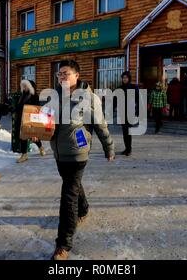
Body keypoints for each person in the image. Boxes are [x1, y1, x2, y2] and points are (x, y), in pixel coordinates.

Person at [44, 60, 115, 260]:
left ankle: (63, 245)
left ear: (77, 75)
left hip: (77, 151)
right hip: (58, 152)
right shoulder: (54, 96)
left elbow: (100, 125)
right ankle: (83, 208)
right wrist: (37, 131)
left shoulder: (89, 98)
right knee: (72, 185)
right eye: (59, 74)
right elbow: (45, 121)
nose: (62, 77)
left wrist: (108, 147)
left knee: (68, 195)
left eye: (66, 73)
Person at [15, 79, 46, 163]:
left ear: (30, 87)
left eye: (25, 86)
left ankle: (41, 147)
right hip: (21, 119)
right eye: (23, 86)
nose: (24, 87)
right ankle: (24, 155)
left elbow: (36, 108)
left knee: (33, 136)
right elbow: (19, 107)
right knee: (22, 136)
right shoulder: (22, 96)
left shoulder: (34, 96)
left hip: (30, 119)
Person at [117, 71, 139, 156]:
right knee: (124, 131)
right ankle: (126, 148)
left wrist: (138, 110)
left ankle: (129, 149)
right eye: (123, 77)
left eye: (126, 77)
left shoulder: (133, 87)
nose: (125, 79)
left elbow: (138, 99)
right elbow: (115, 101)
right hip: (122, 112)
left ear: (129, 78)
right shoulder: (119, 88)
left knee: (128, 131)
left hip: (130, 112)